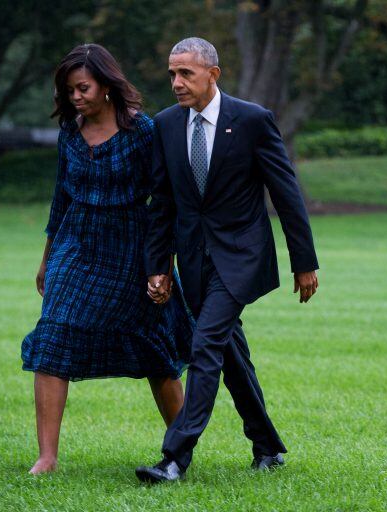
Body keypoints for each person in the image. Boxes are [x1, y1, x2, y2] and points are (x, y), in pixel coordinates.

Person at [135, 37, 319, 484]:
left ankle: (175, 457)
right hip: (193, 262)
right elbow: (162, 203)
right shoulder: (164, 125)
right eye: (172, 74)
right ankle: (268, 446)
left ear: (212, 74)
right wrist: (158, 266)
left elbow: (285, 192)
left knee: (204, 345)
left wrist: (304, 261)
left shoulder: (252, 121)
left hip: (242, 256)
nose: (176, 83)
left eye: (186, 74)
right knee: (228, 351)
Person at [21, 44, 193, 475]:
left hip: (132, 249)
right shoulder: (69, 132)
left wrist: (162, 264)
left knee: (155, 349)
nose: (75, 96)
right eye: (69, 90)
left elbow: (164, 201)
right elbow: (61, 199)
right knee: (52, 337)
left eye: (83, 88)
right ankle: (47, 457)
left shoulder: (143, 131)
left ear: (106, 86)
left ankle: (181, 449)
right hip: (75, 245)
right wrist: (46, 260)